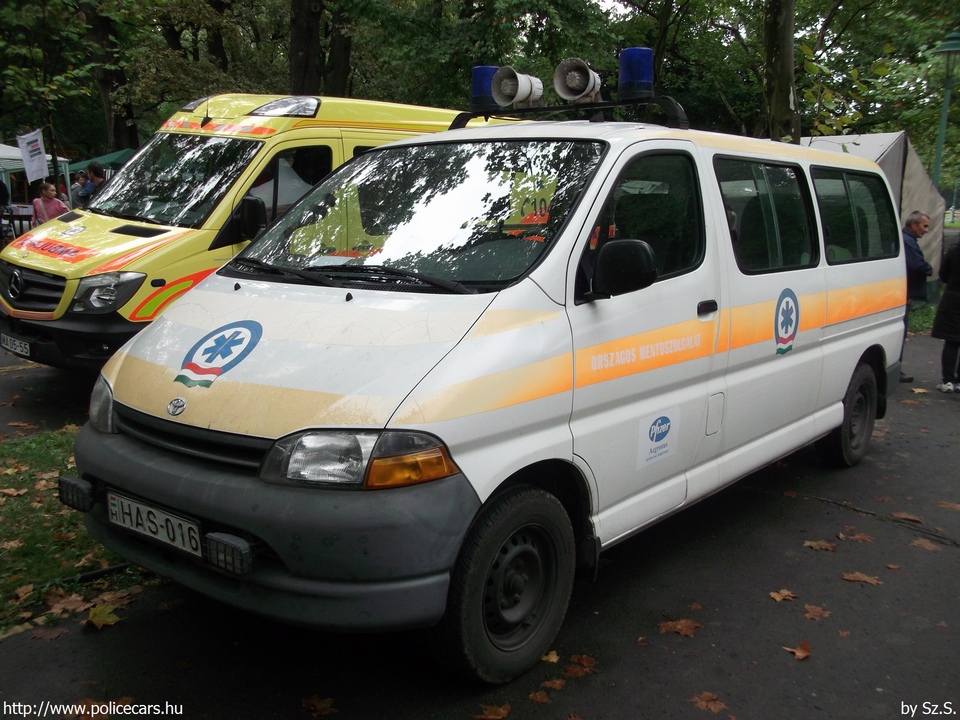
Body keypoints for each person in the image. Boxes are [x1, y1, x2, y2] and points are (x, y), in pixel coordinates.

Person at [899, 210, 933, 383]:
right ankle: (896, 368)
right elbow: (916, 264)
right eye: (924, 226)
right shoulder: (908, 242)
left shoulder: (906, 240)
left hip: (905, 292)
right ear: (914, 224)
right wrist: (928, 269)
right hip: (905, 293)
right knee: (900, 331)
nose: (926, 230)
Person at [932, 240, 960, 393]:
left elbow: (943, 273)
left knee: (951, 340)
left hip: (953, 297)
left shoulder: (953, 250)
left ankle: (948, 380)